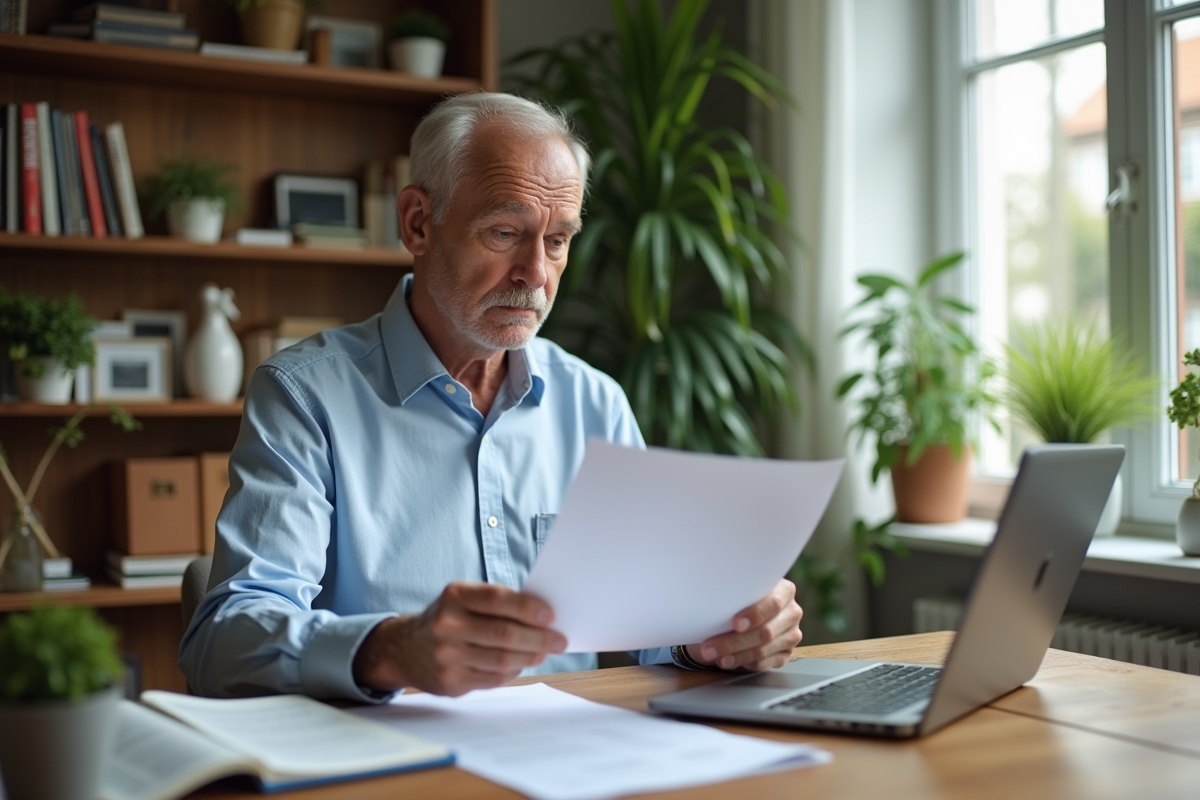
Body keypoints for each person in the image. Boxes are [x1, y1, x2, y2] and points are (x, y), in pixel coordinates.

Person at [179, 92, 803, 701]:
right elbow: (221, 642)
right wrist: (391, 650)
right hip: (391, 752)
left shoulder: (595, 402)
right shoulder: (304, 395)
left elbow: (654, 622)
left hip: (569, 750)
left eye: (557, 240)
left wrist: (720, 635)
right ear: (417, 223)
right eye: (505, 232)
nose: (536, 273)